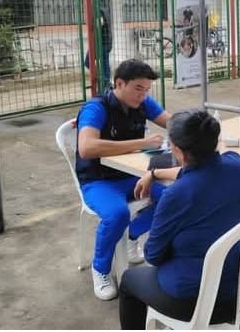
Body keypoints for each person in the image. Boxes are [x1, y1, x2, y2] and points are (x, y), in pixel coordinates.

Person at [118, 109, 240, 329]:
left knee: (129, 280)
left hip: (200, 301)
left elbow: (153, 255)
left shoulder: (176, 195)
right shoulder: (236, 164)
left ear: (178, 151)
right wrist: (155, 174)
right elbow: (196, 172)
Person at [76, 59, 171, 301]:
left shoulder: (143, 102)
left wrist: (196, 127)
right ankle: (101, 268)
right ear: (119, 83)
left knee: (174, 197)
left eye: (147, 90)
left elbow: (172, 122)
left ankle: (131, 235)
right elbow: (86, 147)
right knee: (117, 214)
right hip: (98, 181)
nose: (143, 95)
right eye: (138, 88)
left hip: (132, 175)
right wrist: (141, 143)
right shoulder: (96, 108)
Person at [84, 4, 113, 90]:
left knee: (90, 62)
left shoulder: (99, 11)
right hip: (104, 42)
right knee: (103, 64)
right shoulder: (104, 9)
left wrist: (92, 27)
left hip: (101, 43)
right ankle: (103, 80)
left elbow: (99, 25)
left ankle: (105, 82)